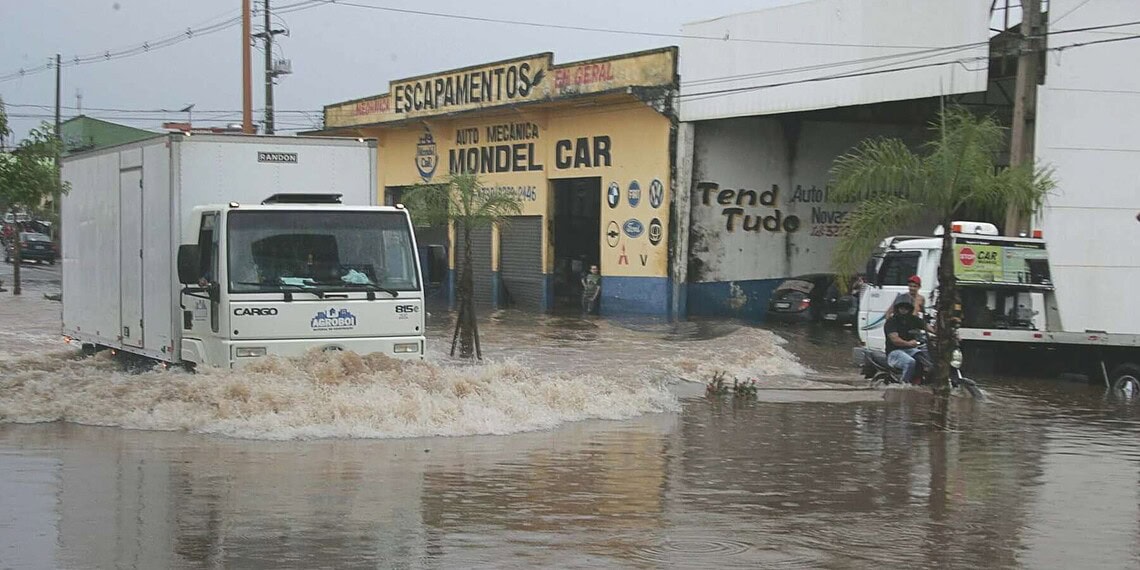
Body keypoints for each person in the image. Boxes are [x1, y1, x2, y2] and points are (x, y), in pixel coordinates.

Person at [884, 298, 926, 384]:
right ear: (897, 309)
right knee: (910, 362)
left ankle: (920, 379)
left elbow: (929, 328)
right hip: (894, 352)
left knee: (924, 357)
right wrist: (909, 343)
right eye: (901, 308)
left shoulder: (913, 319)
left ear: (910, 309)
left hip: (910, 350)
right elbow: (895, 340)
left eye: (906, 308)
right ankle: (904, 385)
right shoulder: (892, 321)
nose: (904, 310)